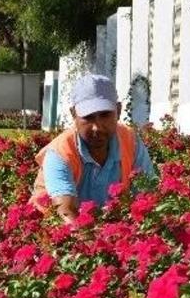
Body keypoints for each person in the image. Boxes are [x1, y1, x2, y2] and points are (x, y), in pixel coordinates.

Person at [30, 74, 156, 224]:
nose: (97, 127)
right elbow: (66, 212)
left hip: (107, 228)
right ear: (73, 114)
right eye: (88, 117)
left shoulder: (131, 141)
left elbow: (148, 194)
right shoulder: (60, 152)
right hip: (55, 230)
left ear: (118, 110)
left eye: (105, 115)